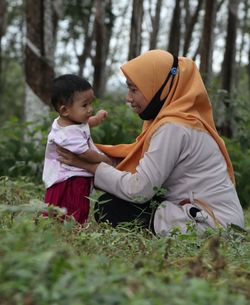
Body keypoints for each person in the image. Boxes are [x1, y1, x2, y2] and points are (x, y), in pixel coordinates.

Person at [57, 50, 244, 235]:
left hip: (215, 224)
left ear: (156, 88)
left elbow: (139, 189)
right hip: (217, 217)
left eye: (134, 89)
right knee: (114, 202)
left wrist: (86, 165)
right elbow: (144, 173)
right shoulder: (175, 121)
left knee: (111, 208)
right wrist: (99, 162)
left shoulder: (174, 128)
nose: (128, 98)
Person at [42, 74, 112, 224]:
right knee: (73, 210)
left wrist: (98, 118)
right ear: (65, 110)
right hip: (69, 180)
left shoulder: (69, 120)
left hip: (69, 176)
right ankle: (72, 231)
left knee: (63, 213)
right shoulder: (67, 135)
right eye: (85, 105)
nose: (90, 110)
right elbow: (87, 155)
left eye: (91, 104)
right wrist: (105, 160)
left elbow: (86, 124)